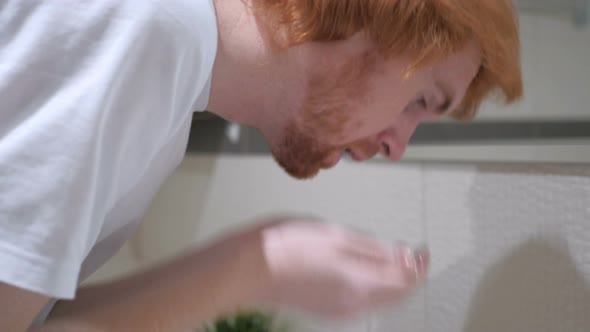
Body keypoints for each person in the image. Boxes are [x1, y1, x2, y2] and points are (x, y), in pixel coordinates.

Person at [0, 0, 523, 331]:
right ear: (379, 13)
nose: (398, 145)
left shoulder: (173, 92)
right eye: (423, 100)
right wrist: (256, 267)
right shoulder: (147, 26)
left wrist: (262, 258)